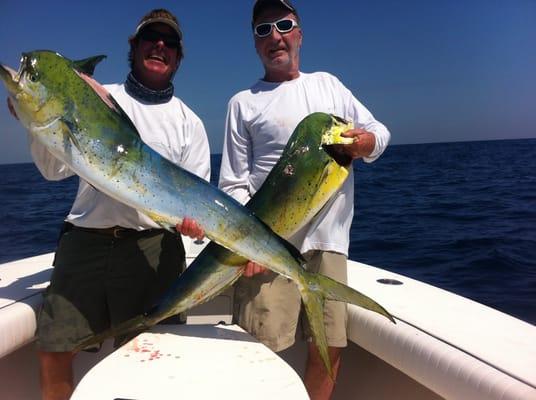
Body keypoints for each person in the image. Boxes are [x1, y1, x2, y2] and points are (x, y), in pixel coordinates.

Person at [8, 9, 209, 400]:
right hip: (85, 242)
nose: (159, 47)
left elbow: (195, 201)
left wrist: (192, 228)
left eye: (169, 43)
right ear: (133, 48)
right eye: (150, 38)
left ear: (179, 58)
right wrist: (35, 122)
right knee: (54, 349)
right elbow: (52, 170)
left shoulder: (190, 123)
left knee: (149, 359)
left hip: (153, 249)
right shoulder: (98, 96)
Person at [218, 1, 390, 399]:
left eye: (283, 25)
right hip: (269, 247)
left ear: (299, 33)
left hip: (328, 245)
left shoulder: (329, 85)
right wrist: (249, 246)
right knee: (260, 353)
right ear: (254, 42)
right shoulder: (243, 102)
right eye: (263, 29)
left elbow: (378, 133)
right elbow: (234, 186)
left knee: (327, 351)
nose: (274, 36)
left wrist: (365, 143)